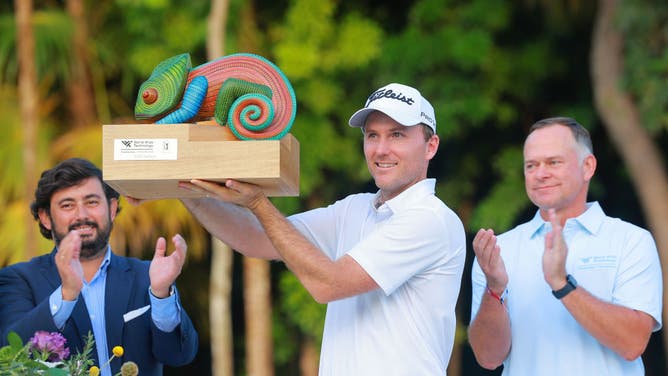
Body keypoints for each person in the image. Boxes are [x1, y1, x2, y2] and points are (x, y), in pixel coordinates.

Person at [177, 83, 466, 374]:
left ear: (431, 146)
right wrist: (179, 186)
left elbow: (329, 284)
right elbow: (258, 237)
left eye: (397, 135)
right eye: (372, 135)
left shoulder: (430, 219)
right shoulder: (355, 208)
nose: (380, 149)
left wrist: (258, 203)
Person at [468, 117, 662, 375]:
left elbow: (632, 344)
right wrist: (494, 289)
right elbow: (488, 357)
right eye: (531, 165)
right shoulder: (499, 250)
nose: (540, 173)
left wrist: (562, 283)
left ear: (587, 167)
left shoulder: (631, 240)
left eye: (553, 162)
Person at [0, 158, 198, 376]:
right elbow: (12, 355)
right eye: (67, 205)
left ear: (112, 208)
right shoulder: (18, 279)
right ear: (46, 218)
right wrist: (66, 295)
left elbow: (179, 356)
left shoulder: (147, 276)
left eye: (92, 202)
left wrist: (161, 296)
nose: (82, 215)